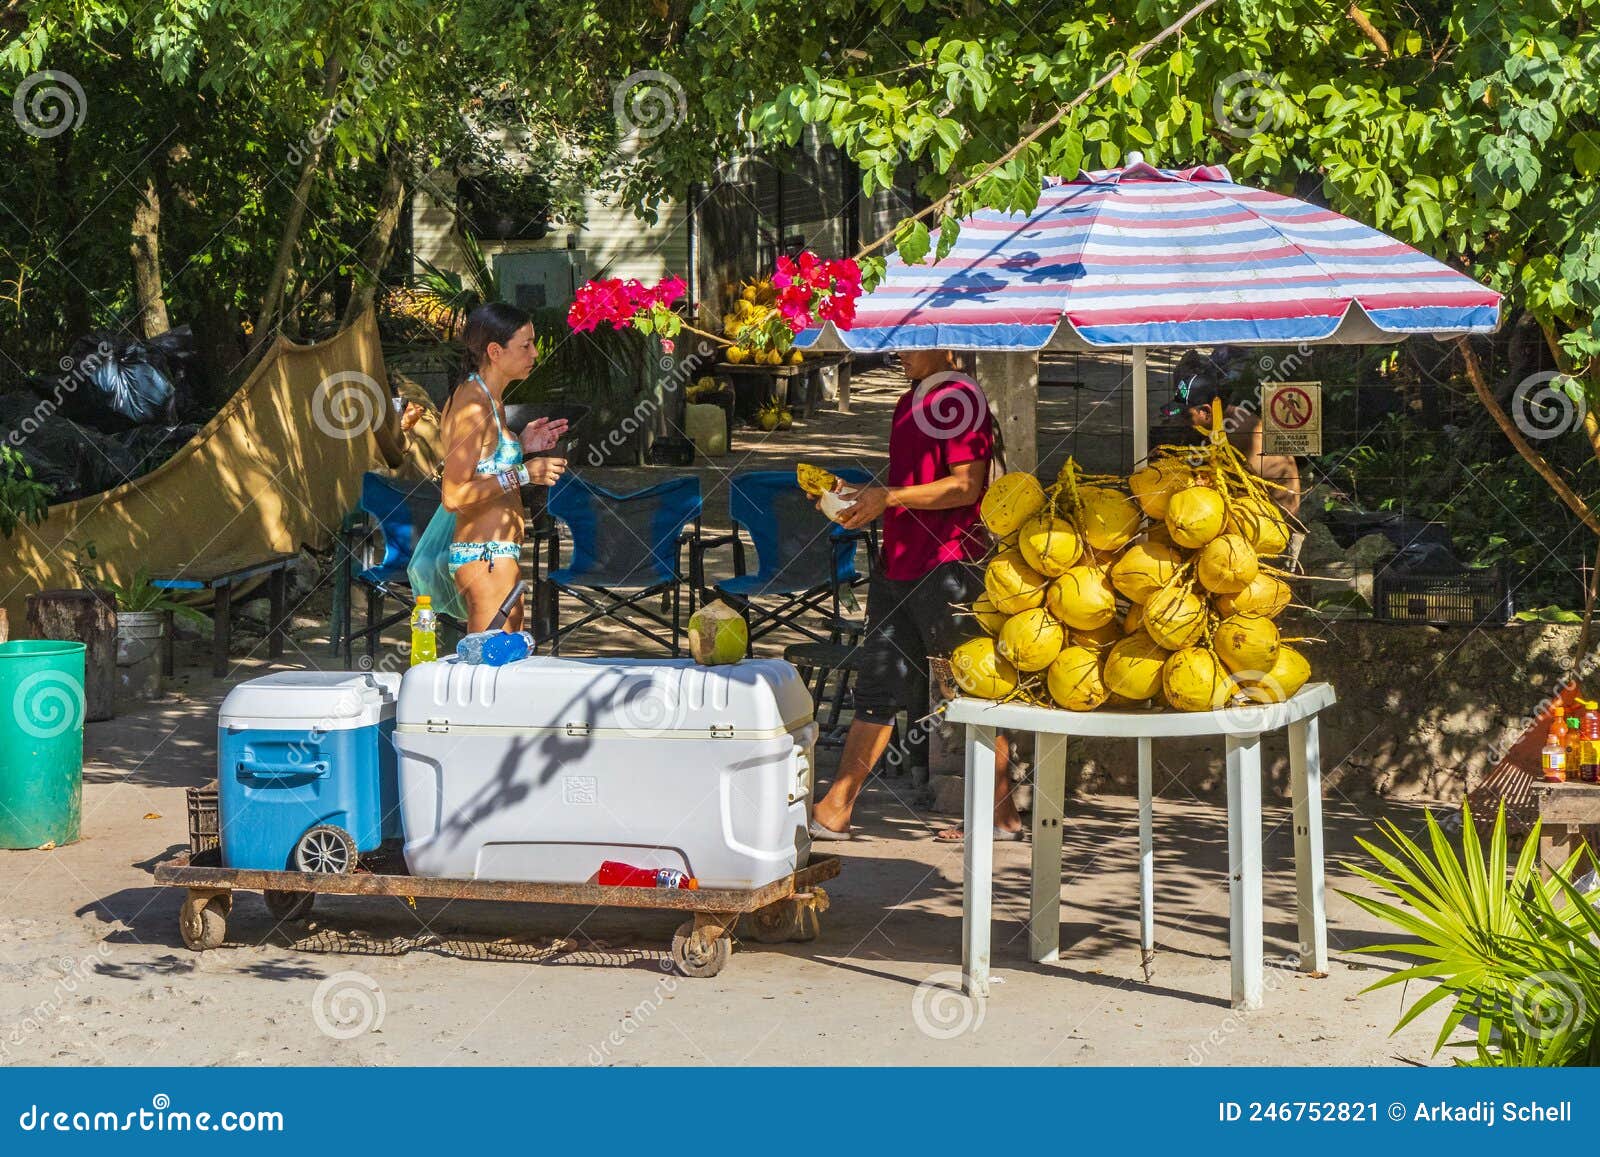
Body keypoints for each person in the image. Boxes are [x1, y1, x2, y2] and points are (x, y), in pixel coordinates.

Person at [809, 349, 1025, 843]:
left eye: (910, 340)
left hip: (949, 566)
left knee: (975, 686)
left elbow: (966, 487)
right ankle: (835, 808)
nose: (897, 351)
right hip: (900, 563)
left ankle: (1001, 813)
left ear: (942, 341)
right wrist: (864, 492)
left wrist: (889, 498)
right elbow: (911, 478)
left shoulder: (959, 397)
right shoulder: (913, 397)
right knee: (878, 684)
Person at [439, 302, 568, 632]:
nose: (535, 353)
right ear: (495, 351)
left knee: (501, 668)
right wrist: (524, 472)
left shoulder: (488, 398)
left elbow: (484, 466)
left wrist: (520, 446)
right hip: (483, 556)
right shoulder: (471, 405)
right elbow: (453, 495)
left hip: (497, 554)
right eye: (526, 345)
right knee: (487, 673)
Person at [1184, 380, 1305, 566]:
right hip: (1273, 514)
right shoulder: (1235, 416)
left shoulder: (1234, 433)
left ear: (1206, 412)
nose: (1184, 423)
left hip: (1270, 529)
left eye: (1186, 416)